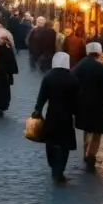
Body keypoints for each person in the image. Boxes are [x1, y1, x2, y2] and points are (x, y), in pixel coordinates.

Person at [32, 52, 79, 183]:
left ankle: (53, 165)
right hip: (66, 117)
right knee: (64, 145)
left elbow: (42, 97)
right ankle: (60, 170)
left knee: (51, 141)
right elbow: (76, 101)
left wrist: (38, 109)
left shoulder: (48, 78)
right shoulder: (73, 80)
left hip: (52, 115)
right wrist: (76, 114)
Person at [71, 42, 103, 170]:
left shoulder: (79, 66)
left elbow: (72, 83)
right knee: (96, 133)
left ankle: (86, 152)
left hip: (82, 104)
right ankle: (91, 155)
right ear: (99, 52)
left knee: (87, 129)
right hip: (99, 106)